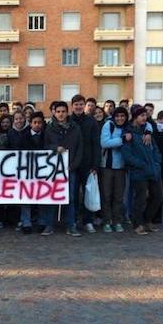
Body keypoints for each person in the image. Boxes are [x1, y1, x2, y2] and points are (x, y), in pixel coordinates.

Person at [42, 102, 83, 236]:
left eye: (63, 111)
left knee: (70, 197)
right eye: (58, 111)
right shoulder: (48, 128)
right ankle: (49, 225)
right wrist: (55, 148)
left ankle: (71, 225)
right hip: (53, 169)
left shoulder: (75, 128)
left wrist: (74, 165)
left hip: (70, 168)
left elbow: (79, 148)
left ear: (67, 112)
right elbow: (44, 146)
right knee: (51, 196)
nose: (60, 114)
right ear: (54, 113)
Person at [121, 107, 163, 235]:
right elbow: (127, 155)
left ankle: (147, 220)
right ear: (135, 117)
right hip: (139, 172)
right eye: (141, 116)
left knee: (158, 197)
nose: (144, 118)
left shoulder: (147, 131)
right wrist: (140, 165)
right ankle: (137, 224)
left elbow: (155, 148)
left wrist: (157, 162)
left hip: (153, 170)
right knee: (140, 199)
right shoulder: (128, 133)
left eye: (145, 115)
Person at [70, 94, 101, 234]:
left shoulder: (91, 121)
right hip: (72, 165)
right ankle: (74, 220)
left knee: (89, 194)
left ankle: (88, 221)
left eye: (81, 104)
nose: (78, 106)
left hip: (88, 164)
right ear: (72, 106)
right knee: (73, 194)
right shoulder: (68, 120)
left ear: (84, 106)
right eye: (76, 104)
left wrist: (95, 165)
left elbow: (96, 144)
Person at [99, 107, 129, 233]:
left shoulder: (128, 127)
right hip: (107, 166)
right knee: (106, 196)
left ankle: (117, 221)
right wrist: (122, 140)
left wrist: (148, 132)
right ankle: (107, 221)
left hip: (122, 167)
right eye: (117, 116)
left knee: (118, 196)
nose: (120, 118)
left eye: (123, 116)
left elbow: (147, 126)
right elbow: (105, 143)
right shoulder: (108, 125)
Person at [18, 111, 45, 234]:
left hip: (43, 171)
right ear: (30, 123)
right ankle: (26, 222)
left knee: (41, 196)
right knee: (26, 196)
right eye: (35, 122)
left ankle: (41, 222)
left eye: (40, 122)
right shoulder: (23, 136)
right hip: (26, 171)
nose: (37, 125)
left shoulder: (46, 135)